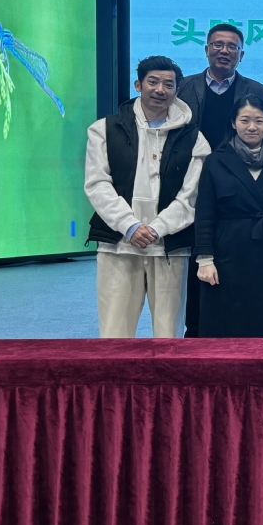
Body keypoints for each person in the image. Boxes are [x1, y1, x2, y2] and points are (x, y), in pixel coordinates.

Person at [84, 56, 211, 338]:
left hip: (169, 247)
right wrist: (129, 225)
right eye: (153, 82)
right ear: (138, 84)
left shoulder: (195, 139)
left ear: (177, 90)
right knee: (115, 332)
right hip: (118, 244)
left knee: (168, 334)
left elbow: (191, 196)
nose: (160, 90)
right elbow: (97, 184)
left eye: (168, 84)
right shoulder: (104, 130)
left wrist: (156, 228)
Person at [176, 22, 263, 338]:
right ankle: (195, 334)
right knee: (198, 259)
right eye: (218, 45)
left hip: (237, 185)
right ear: (206, 49)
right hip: (190, 182)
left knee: (237, 263)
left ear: (241, 54)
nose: (224, 51)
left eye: (232, 46)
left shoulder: (257, 90)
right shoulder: (183, 87)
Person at [192, 95, 263, 337]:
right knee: (220, 330)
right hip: (224, 256)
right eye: (245, 120)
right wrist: (205, 259)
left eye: (259, 121)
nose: (252, 127)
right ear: (233, 123)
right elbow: (204, 214)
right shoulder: (216, 161)